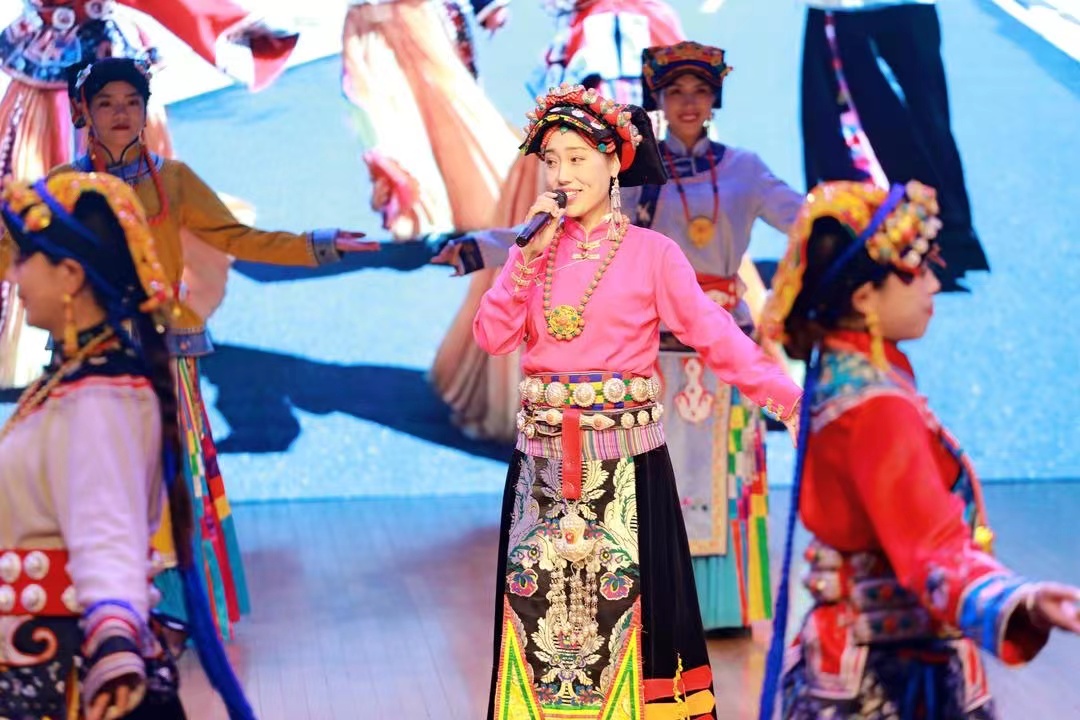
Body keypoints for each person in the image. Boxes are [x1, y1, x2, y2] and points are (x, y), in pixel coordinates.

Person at [0, 56, 375, 641]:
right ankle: (102, 609)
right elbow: (14, 252)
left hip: (163, 356)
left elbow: (239, 238)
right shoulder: (62, 189)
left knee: (169, 475)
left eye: (132, 102)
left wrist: (318, 245)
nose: (121, 114)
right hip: (83, 356)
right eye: (106, 103)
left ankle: (171, 608)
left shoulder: (171, 181)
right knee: (91, 478)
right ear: (83, 113)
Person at [473, 83, 802, 720]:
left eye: (577, 158)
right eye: (551, 161)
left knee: (631, 624)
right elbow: (492, 336)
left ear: (614, 163)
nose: (562, 175)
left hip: (626, 467)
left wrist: (789, 400)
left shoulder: (653, 253)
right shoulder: (534, 252)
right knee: (540, 624)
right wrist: (522, 260)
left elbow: (714, 336)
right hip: (542, 471)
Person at [755, 180, 1080, 719]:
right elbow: (931, 549)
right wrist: (1018, 601)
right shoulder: (875, 407)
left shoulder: (844, 375)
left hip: (846, 652)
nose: (933, 282)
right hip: (891, 674)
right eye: (916, 271)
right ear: (865, 299)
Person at [0, 171, 258, 720]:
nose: (13, 274)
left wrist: (115, 638)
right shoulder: (73, 384)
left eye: (25, 259)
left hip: (64, 671)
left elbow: (108, 529)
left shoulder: (100, 397)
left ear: (70, 276)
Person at [606, 40, 807, 633]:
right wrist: (483, 249)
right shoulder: (637, 174)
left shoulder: (744, 168)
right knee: (652, 472)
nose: (688, 103)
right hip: (656, 348)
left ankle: (726, 606)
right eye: (675, 92)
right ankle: (658, 605)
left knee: (731, 470)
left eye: (699, 91)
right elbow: (581, 234)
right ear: (659, 100)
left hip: (725, 345)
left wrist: (872, 224)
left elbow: (807, 220)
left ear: (714, 99)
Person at [0, 0, 300, 388]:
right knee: (40, 198)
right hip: (54, 68)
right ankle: (50, 330)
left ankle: (109, 323)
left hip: (97, 65)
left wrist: (230, 24)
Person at [800, 0, 988, 291]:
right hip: (900, 11)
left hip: (848, 11)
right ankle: (943, 236)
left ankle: (872, 240)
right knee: (925, 119)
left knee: (842, 125)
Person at [343, 0, 518, 240]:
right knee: (385, 124)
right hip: (364, 26)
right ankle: (422, 217)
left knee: (454, 118)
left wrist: (487, 5)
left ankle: (495, 205)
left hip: (416, 19)